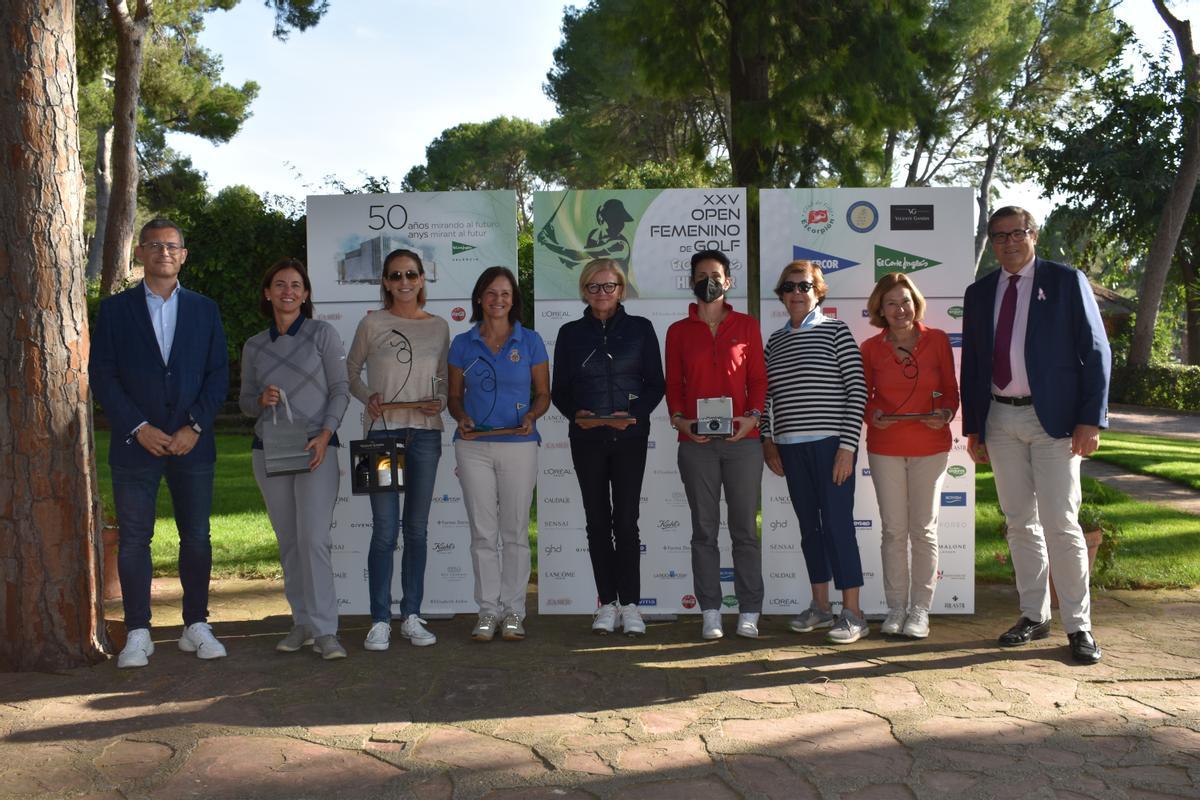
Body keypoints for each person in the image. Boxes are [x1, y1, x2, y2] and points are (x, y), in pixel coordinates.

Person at [961, 206, 1111, 664]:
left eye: (1017, 233)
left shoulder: (1066, 282)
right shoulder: (980, 291)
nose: (1008, 242)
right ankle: (1034, 615)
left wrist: (1091, 419)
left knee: (1061, 524)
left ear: (1034, 235)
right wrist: (974, 426)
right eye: (999, 235)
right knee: (1018, 522)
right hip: (1000, 421)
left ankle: (1078, 626)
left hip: (1057, 424)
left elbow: (1097, 350)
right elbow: (972, 363)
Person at [89, 218, 229, 668]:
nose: (163, 252)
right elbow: (102, 376)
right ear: (141, 254)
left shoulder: (205, 310)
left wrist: (196, 427)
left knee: (197, 537)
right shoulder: (114, 311)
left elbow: (217, 375)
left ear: (183, 255)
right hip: (136, 445)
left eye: (172, 246)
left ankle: (196, 625)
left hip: (193, 443)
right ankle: (137, 631)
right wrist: (136, 426)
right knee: (133, 540)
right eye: (154, 245)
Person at [240, 259, 350, 659]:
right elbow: (245, 403)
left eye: (297, 285)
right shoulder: (254, 345)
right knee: (289, 542)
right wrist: (260, 400)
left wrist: (326, 434)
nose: (288, 291)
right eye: (280, 285)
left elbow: (341, 389)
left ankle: (326, 630)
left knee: (313, 539)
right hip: (269, 449)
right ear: (267, 293)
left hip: (316, 447)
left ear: (305, 295)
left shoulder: (323, 334)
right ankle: (302, 622)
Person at [550, 259, 664, 636]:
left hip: (630, 437)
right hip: (587, 439)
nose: (602, 293)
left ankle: (631, 605)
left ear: (621, 289)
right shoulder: (569, 333)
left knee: (626, 522)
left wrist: (630, 413)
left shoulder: (641, 329)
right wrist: (577, 413)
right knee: (597, 523)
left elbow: (655, 385)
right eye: (595, 287)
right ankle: (607, 603)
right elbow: (559, 391)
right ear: (584, 290)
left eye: (609, 286)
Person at [761, 260, 868, 644]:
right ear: (781, 294)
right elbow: (767, 398)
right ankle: (821, 607)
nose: (796, 293)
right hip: (790, 449)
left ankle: (853, 612)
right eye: (788, 287)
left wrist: (847, 447)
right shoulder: (774, 341)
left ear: (818, 291)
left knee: (838, 525)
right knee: (811, 530)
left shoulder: (837, 332)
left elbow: (858, 391)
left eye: (804, 286)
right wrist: (768, 440)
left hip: (831, 447)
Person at [347, 249, 449, 650]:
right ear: (386, 282)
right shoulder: (371, 323)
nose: (404, 281)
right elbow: (351, 372)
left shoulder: (439, 327)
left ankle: (411, 614)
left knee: (417, 530)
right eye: (395, 275)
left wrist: (439, 400)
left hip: (425, 434)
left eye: (411, 274)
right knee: (384, 532)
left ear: (422, 279)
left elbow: (442, 379)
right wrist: (366, 396)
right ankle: (378, 619)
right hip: (381, 435)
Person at [665, 249, 767, 641]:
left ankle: (749, 610)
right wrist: (680, 421)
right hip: (696, 443)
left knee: (744, 529)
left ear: (728, 282)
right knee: (704, 530)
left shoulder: (747, 326)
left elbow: (758, 380)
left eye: (716, 274)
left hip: (743, 442)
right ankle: (710, 610)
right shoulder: (677, 331)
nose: (709, 280)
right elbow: (674, 385)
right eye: (701, 274)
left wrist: (753, 417)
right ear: (692, 281)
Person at [448, 266, 550, 642]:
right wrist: (460, 417)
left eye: (505, 293)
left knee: (515, 533)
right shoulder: (462, 343)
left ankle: (514, 612)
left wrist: (532, 416)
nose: (498, 300)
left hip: (520, 446)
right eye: (491, 293)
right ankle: (488, 611)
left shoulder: (531, 341)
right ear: (479, 297)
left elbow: (543, 393)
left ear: (514, 299)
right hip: (473, 447)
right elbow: (454, 397)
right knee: (482, 534)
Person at [860, 272, 960, 640]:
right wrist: (874, 416)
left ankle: (920, 610)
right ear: (880, 310)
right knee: (893, 531)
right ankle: (896, 608)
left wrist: (946, 414)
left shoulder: (937, 340)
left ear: (915, 303)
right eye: (891, 303)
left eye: (905, 301)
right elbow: (865, 397)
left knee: (924, 530)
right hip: (885, 446)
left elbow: (951, 390)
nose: (900, 309)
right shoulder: (870, 348)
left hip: (930, 447)